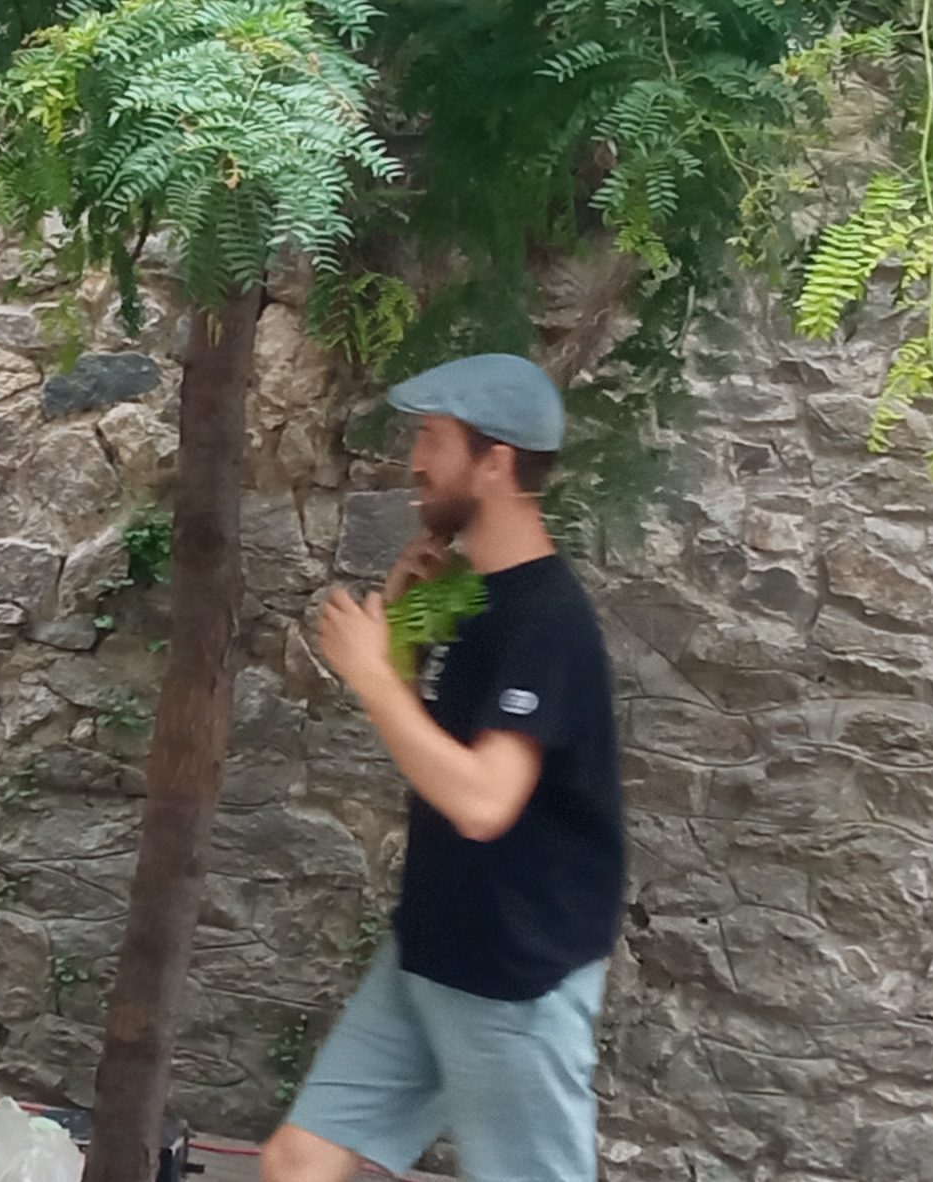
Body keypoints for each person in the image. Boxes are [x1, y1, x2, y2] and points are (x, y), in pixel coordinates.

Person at [265, 354, 626, 1182]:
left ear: (495, 461)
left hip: (513, 975)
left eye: (433, 438)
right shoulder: (476, 598)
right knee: (297, 1162)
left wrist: (371, 675)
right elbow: (437, 748)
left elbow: (484, 800)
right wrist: (398, 640)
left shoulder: (547, 618)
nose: (416, 460)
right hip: (435, 948)